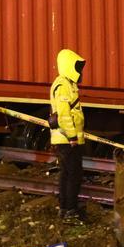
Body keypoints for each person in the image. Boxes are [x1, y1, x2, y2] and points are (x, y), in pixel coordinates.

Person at [50, 48, 87, 225]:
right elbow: (64, 114)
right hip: (67, 139)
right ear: (68, 66)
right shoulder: (63, 84)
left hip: (66, 139)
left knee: (67, 174)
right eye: (77, 66)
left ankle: (65, 209)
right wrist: (72, 136)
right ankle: (70, 210)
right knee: (73, 174)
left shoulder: (67, 84)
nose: (80, 71)